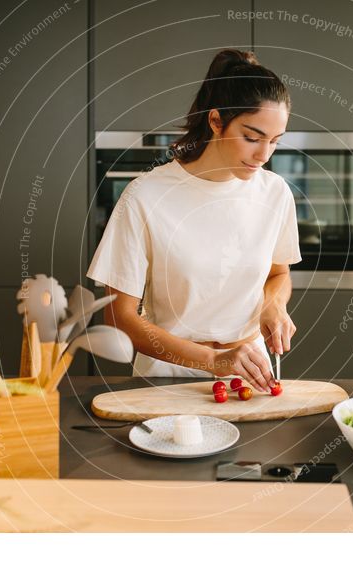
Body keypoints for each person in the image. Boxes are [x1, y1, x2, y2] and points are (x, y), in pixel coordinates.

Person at [87, 48, 301, 392]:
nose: (264, 155)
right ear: (216, 121)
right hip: (166, 377)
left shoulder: (275, 194)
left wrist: (274, 305)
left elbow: (279, 273)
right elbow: (119, 318)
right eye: (252, 137)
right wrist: (213, 361)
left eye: (274, 142)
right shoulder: (145, 196)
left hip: (249, 373)